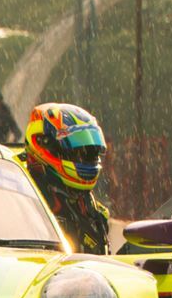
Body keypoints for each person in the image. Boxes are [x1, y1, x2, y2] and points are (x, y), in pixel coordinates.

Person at [22, 102, 111, 255]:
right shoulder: (23, 196)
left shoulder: (92, 208)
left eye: (90, 151)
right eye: (77, 150)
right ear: (44, 143)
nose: (85, 158)